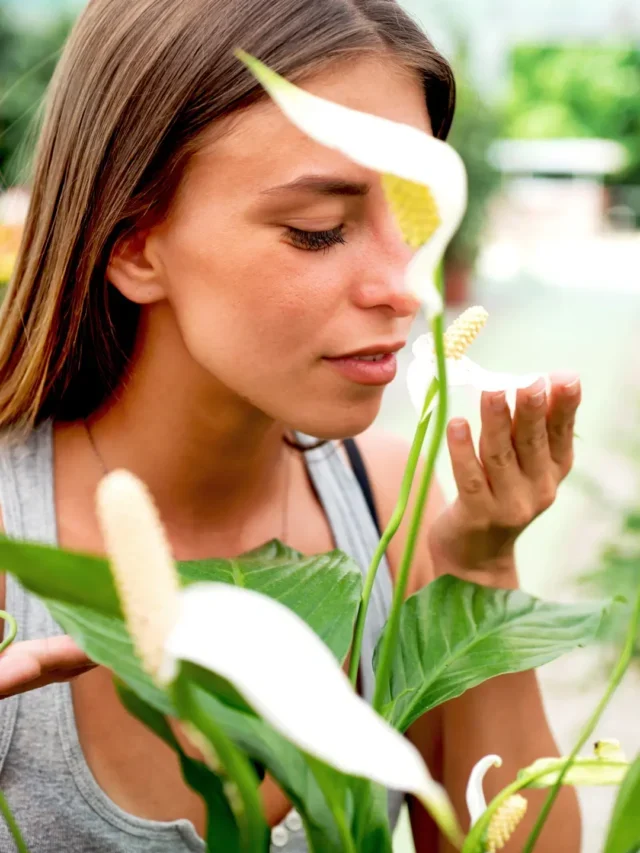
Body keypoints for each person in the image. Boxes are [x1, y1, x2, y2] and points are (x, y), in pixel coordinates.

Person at [0, 0, 582, 850]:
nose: (409, 287)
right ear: (133, 244)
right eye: (320, 231)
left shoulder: (391, 505)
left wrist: (479, 572)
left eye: (414, 219)